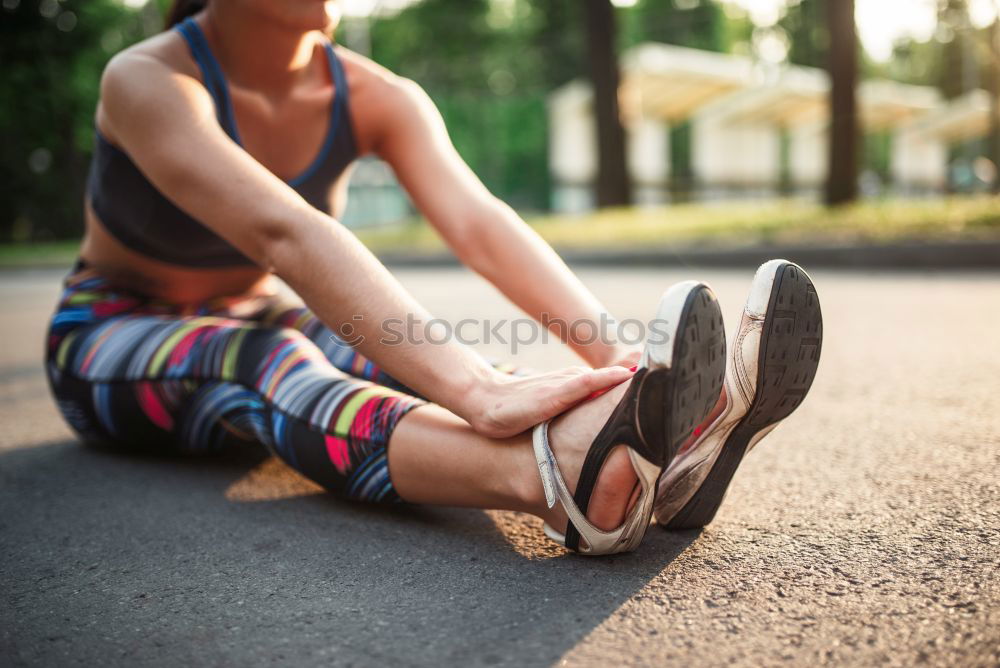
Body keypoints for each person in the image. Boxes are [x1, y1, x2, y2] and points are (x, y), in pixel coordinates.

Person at [45, 0, 822, 555]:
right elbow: (285, 231)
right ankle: (558, 479)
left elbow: (480, 224)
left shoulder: (374, 94)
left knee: (402, 358)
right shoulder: (146, 80)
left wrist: (619, 360)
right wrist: (474, 391)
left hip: (254, 308)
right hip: (109, 334)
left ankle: (637, 438)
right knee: (271, 363)